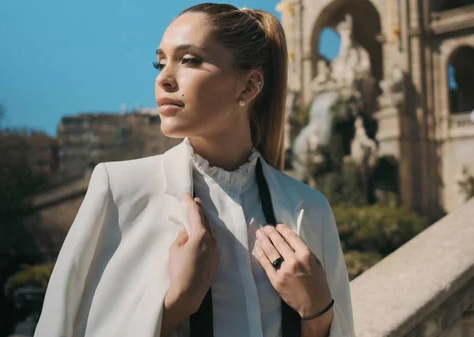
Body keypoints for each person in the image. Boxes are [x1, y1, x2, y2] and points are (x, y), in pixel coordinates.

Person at [34, 3, 354, 337]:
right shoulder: (119, 190)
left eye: (189, 60)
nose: (164, 78)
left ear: (249, 86)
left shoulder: (310, 208)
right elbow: (61, 326)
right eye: (160, 62)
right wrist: (177, 303)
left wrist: (317, 313)